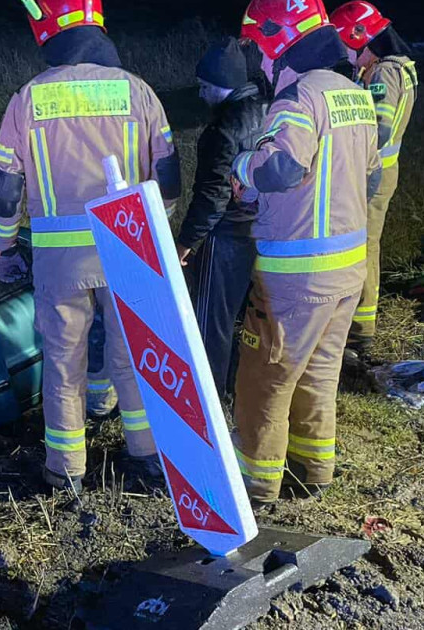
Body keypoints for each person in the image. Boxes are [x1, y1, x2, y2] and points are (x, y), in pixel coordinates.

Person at [0, 0, 182, 493]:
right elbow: (170, 177)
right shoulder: (138, 91)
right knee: (135, 355)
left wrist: (6, 249)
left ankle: (66, 470)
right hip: (130, 248)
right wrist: (155, 233)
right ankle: (146, 455)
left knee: (63, 361)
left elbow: (5, 188)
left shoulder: (28, 100)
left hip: (60, 261)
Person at [229, 0, 380, 505]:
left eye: (259, 50)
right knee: (319, 374)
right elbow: (372, 175)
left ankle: (257, 487)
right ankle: (313, 472)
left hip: (295, 276)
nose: (260, 64)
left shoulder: (298, 97)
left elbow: (282, 169)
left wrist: (244, 164)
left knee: (263, 381)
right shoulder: (353, 94)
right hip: (347, 271)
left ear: (276, 44)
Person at [175, 37, 264, 397]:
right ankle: (241, 386)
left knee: (213, 322)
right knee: (251, 317)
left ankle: (209, 397)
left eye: (204, 86)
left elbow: (212, 195)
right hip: (264, 231)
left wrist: (187, 242)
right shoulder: (269, 107)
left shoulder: (223, 130)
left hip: (227, 236)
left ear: (220, 84)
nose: (200, 94)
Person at [330, 1, 417, 359]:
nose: (347, 55)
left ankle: (361, 332)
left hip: (373, 174)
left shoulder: (384, 74)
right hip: (379, 172)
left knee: (364, 248)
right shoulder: (395, 69)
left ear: (363, 38)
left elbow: (377, 128)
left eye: (348, 47)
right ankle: (357, 325)